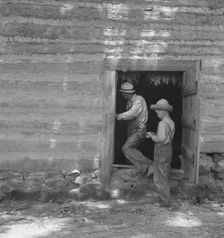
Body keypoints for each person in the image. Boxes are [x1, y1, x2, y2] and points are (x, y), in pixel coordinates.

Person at [116, 82, 153, 176]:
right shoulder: (129, 101)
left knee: (127, 148)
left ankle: (150, 166)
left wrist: (118, 116)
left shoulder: (138, 100)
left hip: (139, 130)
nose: (122, 95)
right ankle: (138, 172)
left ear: (126, 93)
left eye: (122, 93)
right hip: (132, 129)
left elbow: (132, 113)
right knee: (132, 152)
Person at [146, 99, 175, 207]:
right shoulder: (171, 122)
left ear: (163, 111)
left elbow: (161, 139)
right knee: (165, 175)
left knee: (161, 177)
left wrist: (152, 136)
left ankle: (165, 201)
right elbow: (167, 137)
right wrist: (155, 134)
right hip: (168, 149)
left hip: (162, 151)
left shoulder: (162, 123)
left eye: (158, 111)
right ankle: (163, 199)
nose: (157, 113)